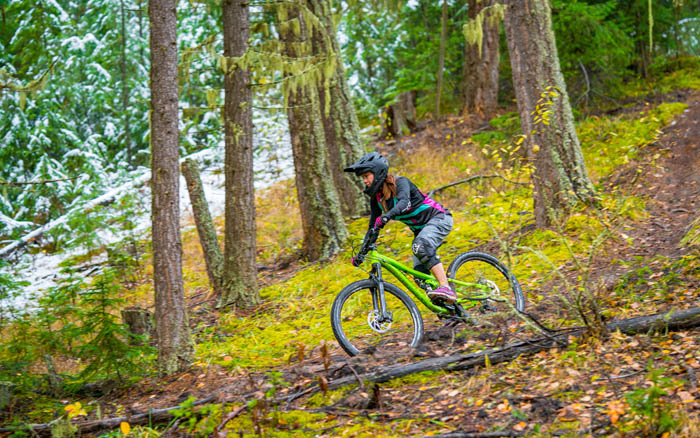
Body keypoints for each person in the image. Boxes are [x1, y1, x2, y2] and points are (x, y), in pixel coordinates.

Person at [344, 152, 456, 303]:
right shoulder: (377, 199)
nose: (364, 181)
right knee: (420, 277)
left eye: (366, 176)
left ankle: (445, 287)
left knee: (420, 246)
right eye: (362, 178)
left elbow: (404, 203)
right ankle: (453, 310)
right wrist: (362, 252)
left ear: (377, 173)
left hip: (439, 219)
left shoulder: (401, 183)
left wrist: (386, 216)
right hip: (420, 231)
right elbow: (372, 227)